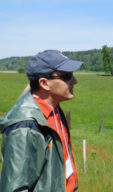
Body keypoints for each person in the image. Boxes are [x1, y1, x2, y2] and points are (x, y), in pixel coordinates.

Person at [0, 50, 83, 192]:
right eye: (67, 76)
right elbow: (14, 188)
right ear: (44, 83)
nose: (75, 81)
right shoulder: (25, 127)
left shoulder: (54, 109)